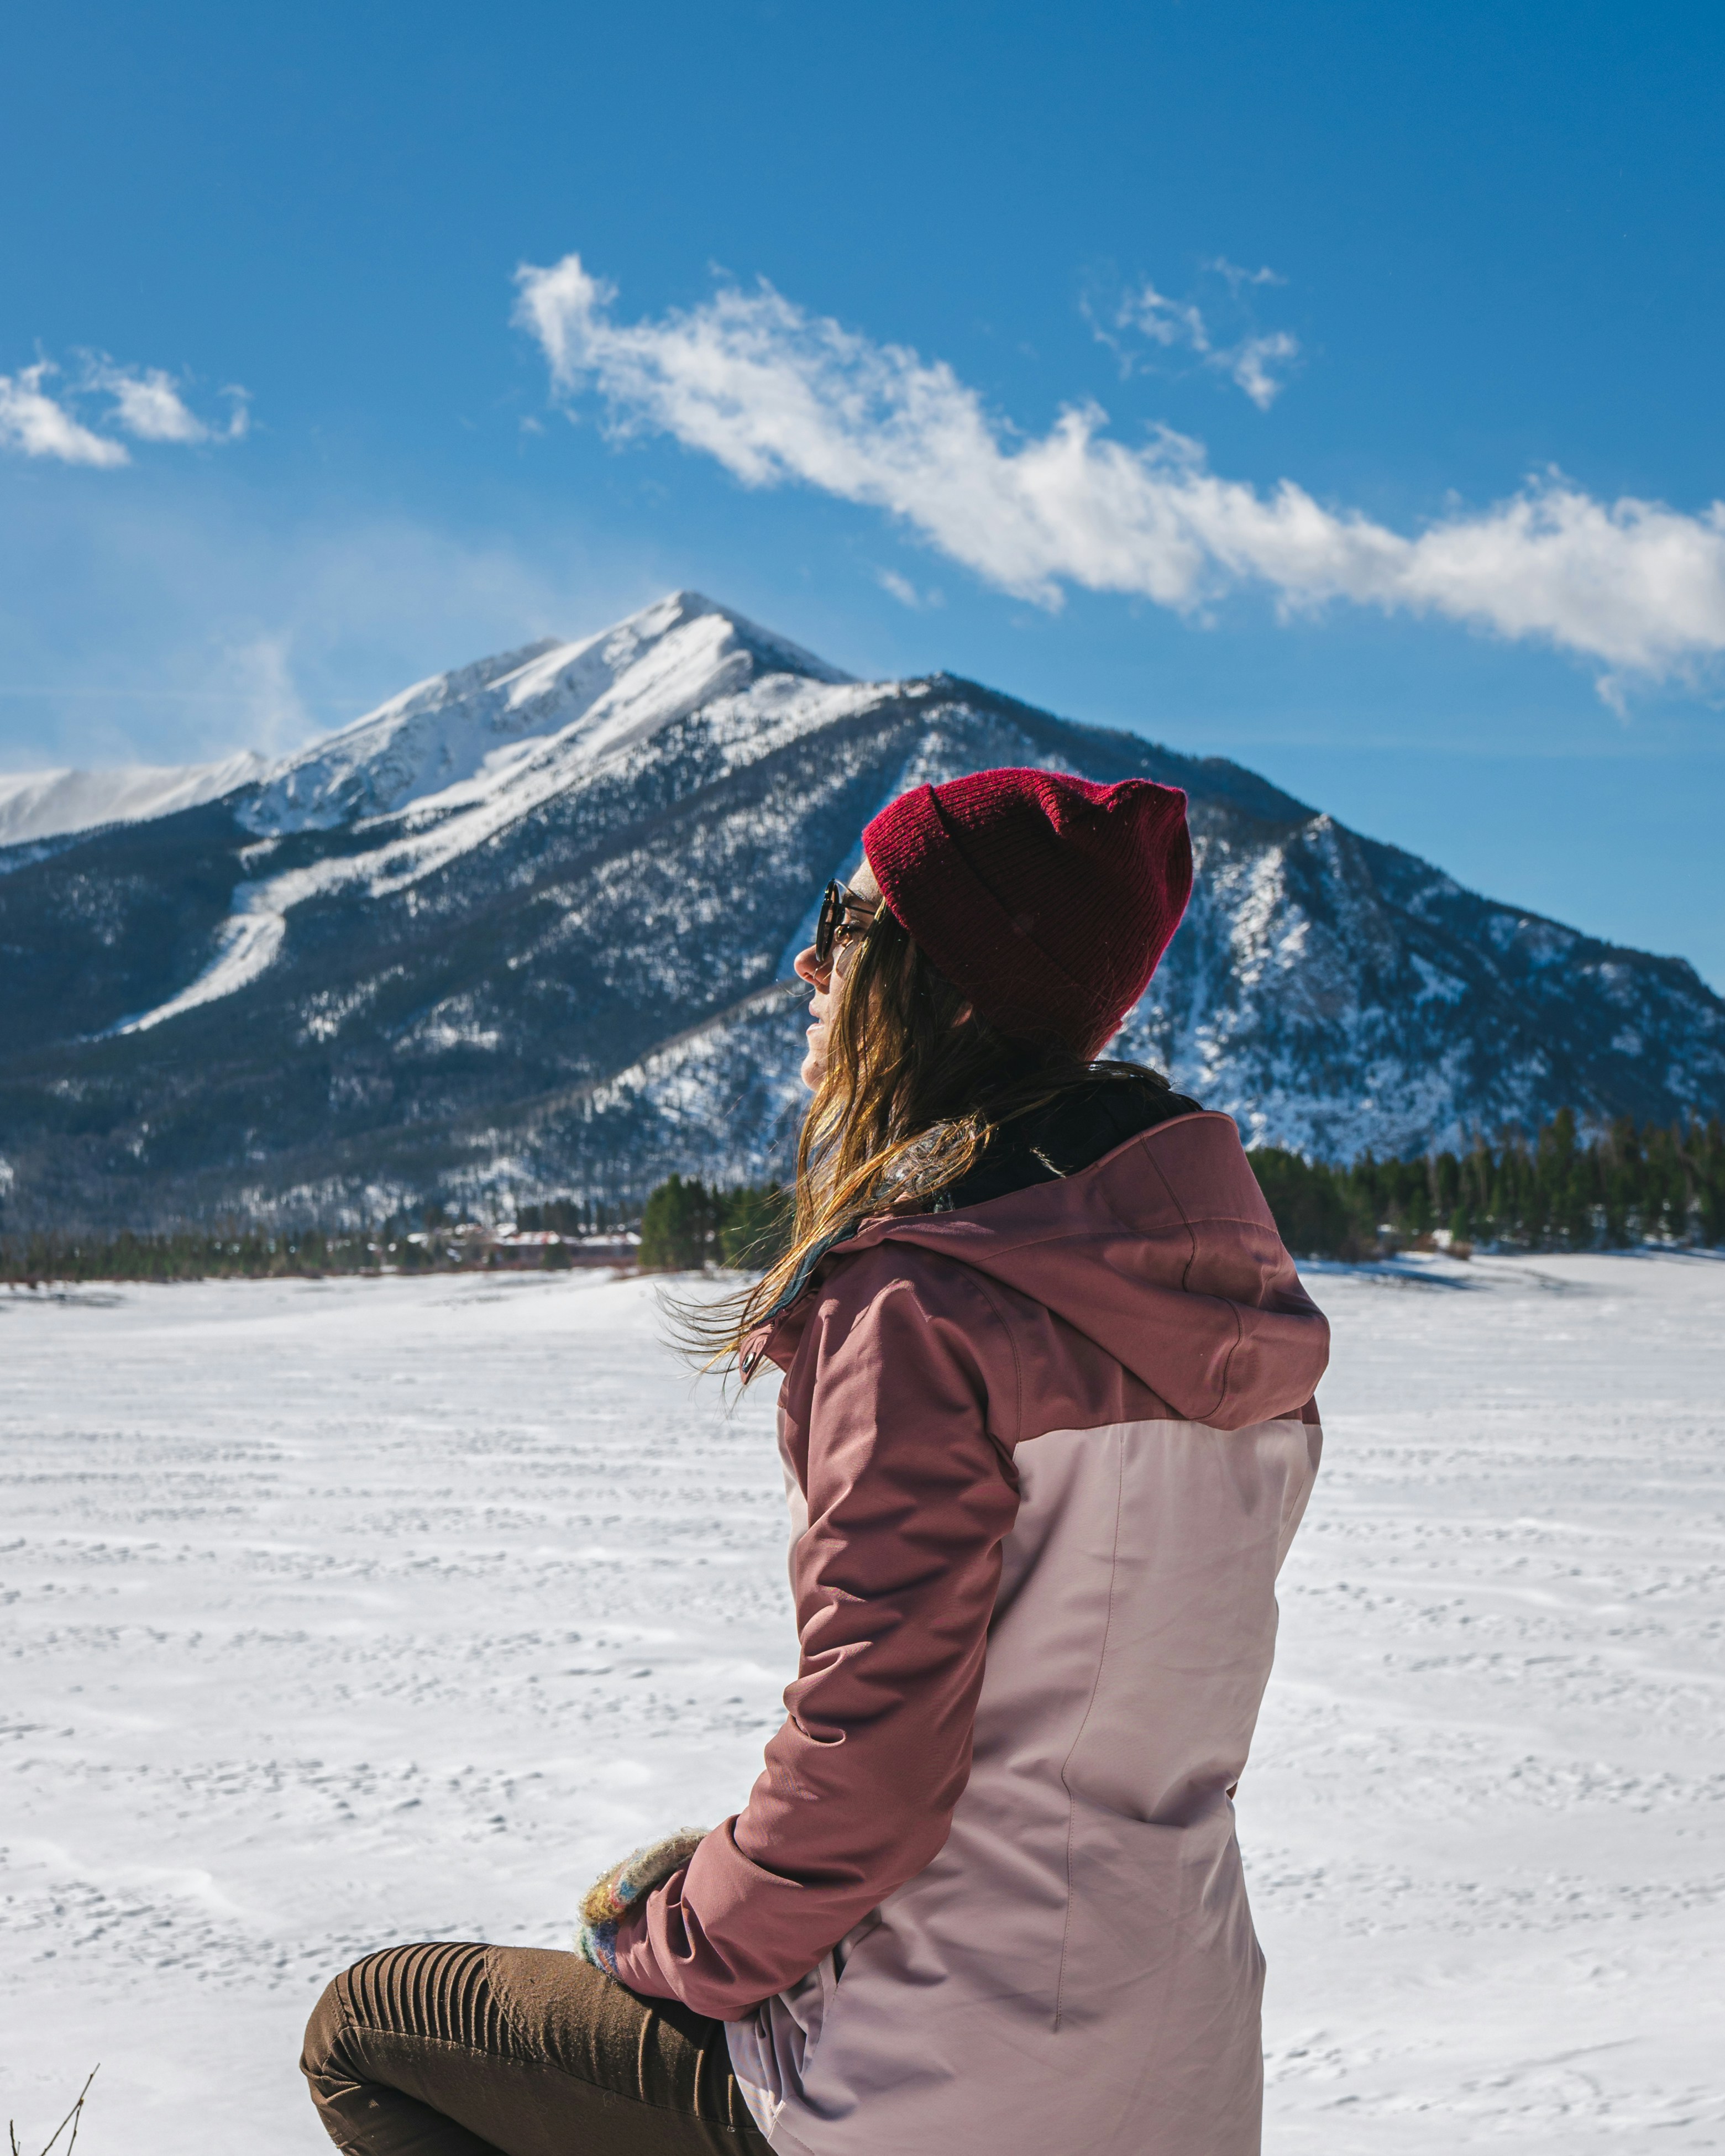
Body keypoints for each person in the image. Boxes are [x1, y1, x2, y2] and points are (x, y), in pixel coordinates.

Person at [302, 767, 1330, 2156]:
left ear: (943, 985)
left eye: (844, 921)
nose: (810, 959)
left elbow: (877, 1765)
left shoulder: (922, 1303)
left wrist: (665, 1933)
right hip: (1182, 2065)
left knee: (375, 2028)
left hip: (934, 2084)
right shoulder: (1231, 1311)